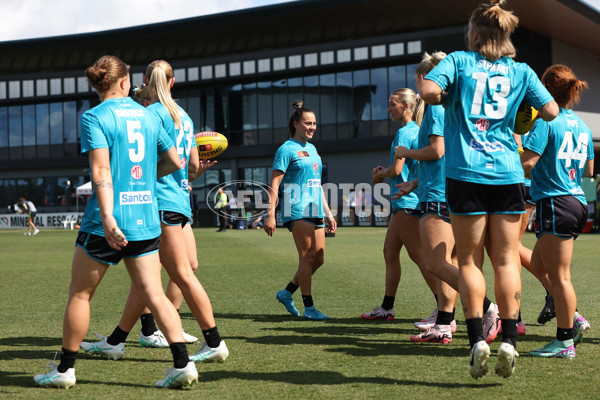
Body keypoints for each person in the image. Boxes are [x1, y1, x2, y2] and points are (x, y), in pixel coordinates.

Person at [33, 55, 197, 389]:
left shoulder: (94, 117)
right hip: (146, 218)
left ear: (97, 84)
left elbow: (101, 171)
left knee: (80, 295)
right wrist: (146, 181)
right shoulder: (148, 115)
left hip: (106, 221)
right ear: (124, 82)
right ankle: (183, 364)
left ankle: (65, 371)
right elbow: (175, 161)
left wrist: (108, 217)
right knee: (154, 292)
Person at [420, 0, 558, 379]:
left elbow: (429, 91)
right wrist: (521, 110)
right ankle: (510, 341)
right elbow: (550, 113)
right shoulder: (522, 70)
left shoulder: (460, 62)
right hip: (509, 174)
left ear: (475, 33)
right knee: (507, 260)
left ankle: (478, 340)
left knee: (468, 261)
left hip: (465, 173)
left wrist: (446, 97)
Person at [79, 59, 228, 364]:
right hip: (181, 201)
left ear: (144, 81)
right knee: (150, 279)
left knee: (178, 275)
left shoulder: (147, 113)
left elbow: (140, 164)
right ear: (172, 83)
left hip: (157, 202)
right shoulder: (184, 117)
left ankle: (212, 341)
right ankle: (119, 340)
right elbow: (191, 168)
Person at [522, 64, 593, 359]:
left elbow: (528, 163)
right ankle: (570, 319)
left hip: (556, 202)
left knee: (561, 277)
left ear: (547, 90)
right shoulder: (584, 125)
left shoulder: (546, 122)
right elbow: (589, 171)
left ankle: (565, 340)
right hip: (577, 202)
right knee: (539, 265)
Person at [361, 88, 436, 323]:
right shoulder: (417, 131)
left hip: (407, 203)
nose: (388, 108)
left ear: (406, 106)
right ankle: (387, 307)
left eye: (392, 104)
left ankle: (444, 309)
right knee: (390, 252)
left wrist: (380, 175)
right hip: (403, 203)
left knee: (421, 257)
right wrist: (386, 172)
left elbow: (397, 170)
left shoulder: (405, 133)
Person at [265, 101, 337, 320]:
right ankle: (309, 308)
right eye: (308, 123)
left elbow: (317, 184)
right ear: (296, 124)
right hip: (296, 208)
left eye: (314, 123)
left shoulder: (312, 148)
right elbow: (274, 184)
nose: (312, 127)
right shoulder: (286, 149)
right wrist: (270, 214)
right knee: (306, 257)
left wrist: (328, 212)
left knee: (319, 258)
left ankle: (287, 292)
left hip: (315, 208)